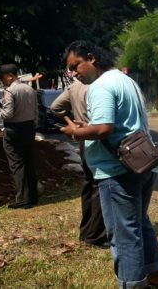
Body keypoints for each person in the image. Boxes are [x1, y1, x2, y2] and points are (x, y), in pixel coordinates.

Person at [59, 41, 158, 288]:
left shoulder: (100, 86)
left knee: (123, 235)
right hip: (144, 162)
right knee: (140, 223)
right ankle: (155, 275)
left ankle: (131, 284)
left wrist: (75, 131)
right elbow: (119, 124)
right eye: (70, 69)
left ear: (92, 58)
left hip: (118, 171)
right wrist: (87, 127)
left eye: (75, 66)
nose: (74, 73)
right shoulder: (125, 80)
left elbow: (105, 128)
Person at [50, 79, 108, 248]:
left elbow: (55, 107)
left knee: (90, 183)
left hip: (83, 139)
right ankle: (96, 235)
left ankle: (86, 231)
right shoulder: (99, 85)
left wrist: (71, 125)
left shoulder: (75, 86)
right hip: (96, 137)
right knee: (99, 184)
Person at [0, 63, 39, 209]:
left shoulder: (10, 91)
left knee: (17, 164)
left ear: (10, 76)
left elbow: (8, 114)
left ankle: (22, 199)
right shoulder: (30, 89)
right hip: (29, 128)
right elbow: (36, 112)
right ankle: (33, 196)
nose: (2, 81)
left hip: (14, 129)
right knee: (29, 162)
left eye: (2, 78)